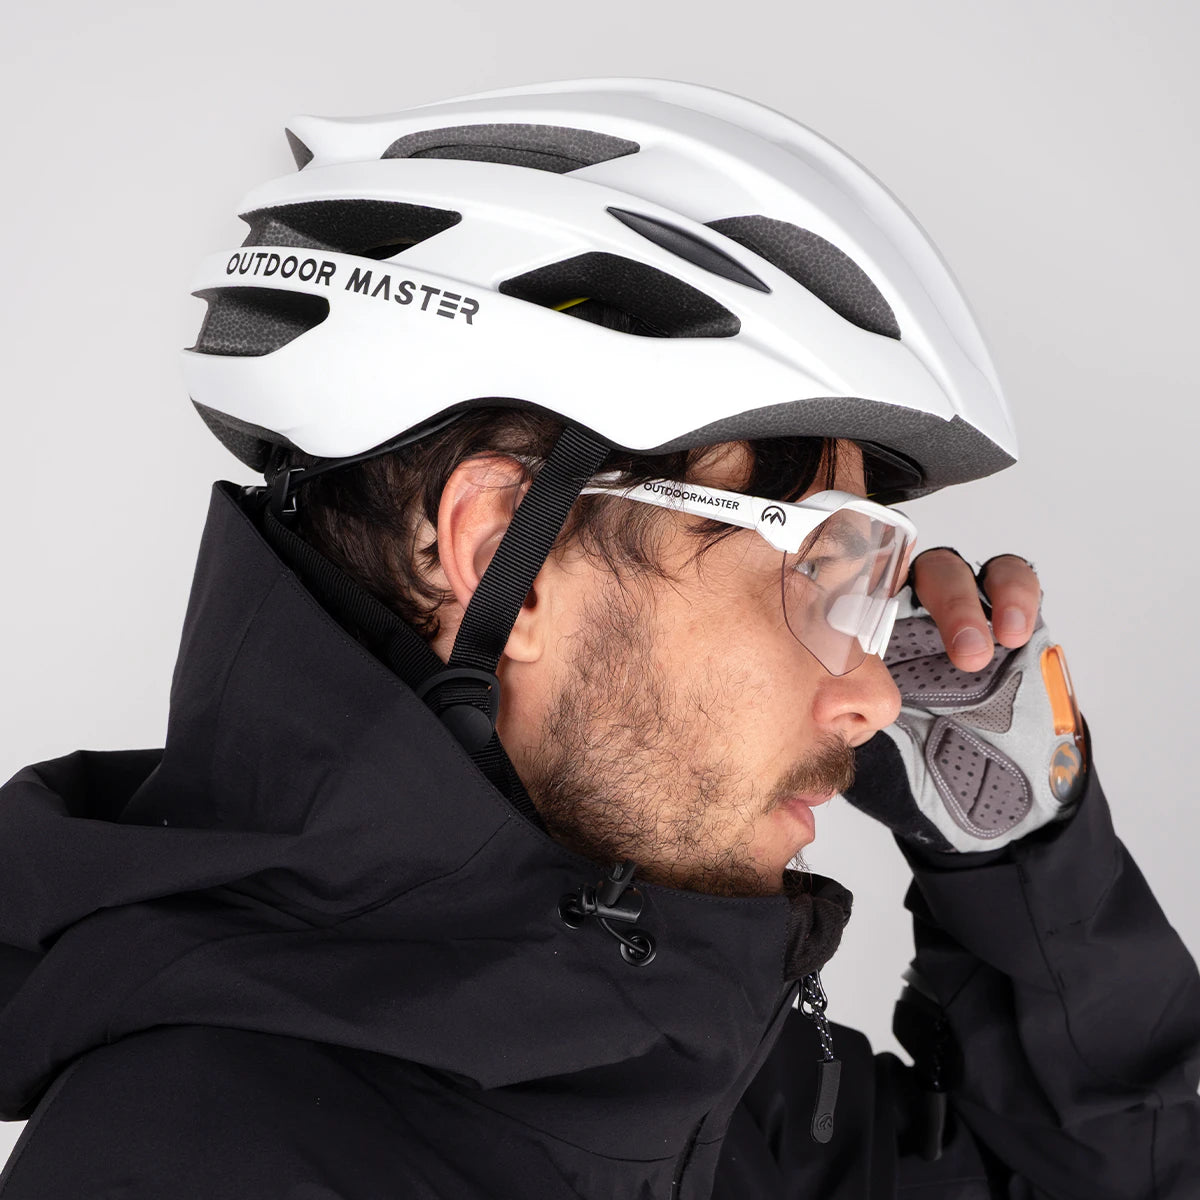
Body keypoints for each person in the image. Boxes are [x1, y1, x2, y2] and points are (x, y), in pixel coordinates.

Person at [0, 77, 1197, 1199]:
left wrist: (1023, 853)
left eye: (864, 581)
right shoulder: (194, 1165)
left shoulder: (663, 1063)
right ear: (503, 561)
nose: (876, 695)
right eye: (812, 566)